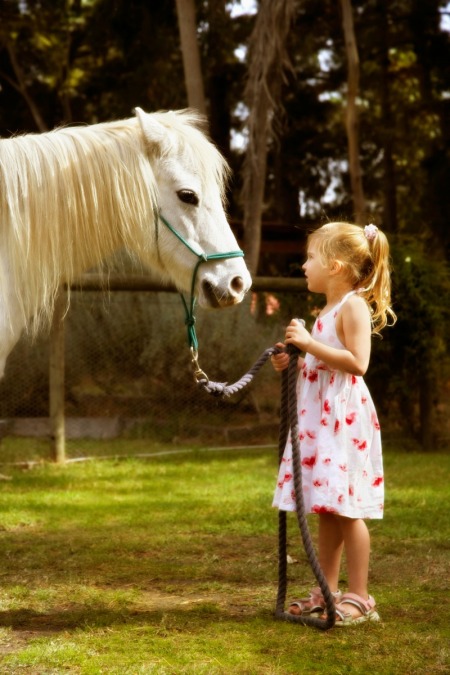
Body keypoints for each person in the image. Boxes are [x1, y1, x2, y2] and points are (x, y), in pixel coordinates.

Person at [271, 221, 396, 626]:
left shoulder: (353, 306)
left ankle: (360, 594)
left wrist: (310, 344)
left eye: (310, 258)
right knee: (326, 507)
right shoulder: (324, 310)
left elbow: (358, 363)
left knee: (347, 510)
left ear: (337, 266)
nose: (304, 265)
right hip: (320, 419)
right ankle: (326, 589)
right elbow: (322, 363)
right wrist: (293, 360)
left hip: (342, 420)